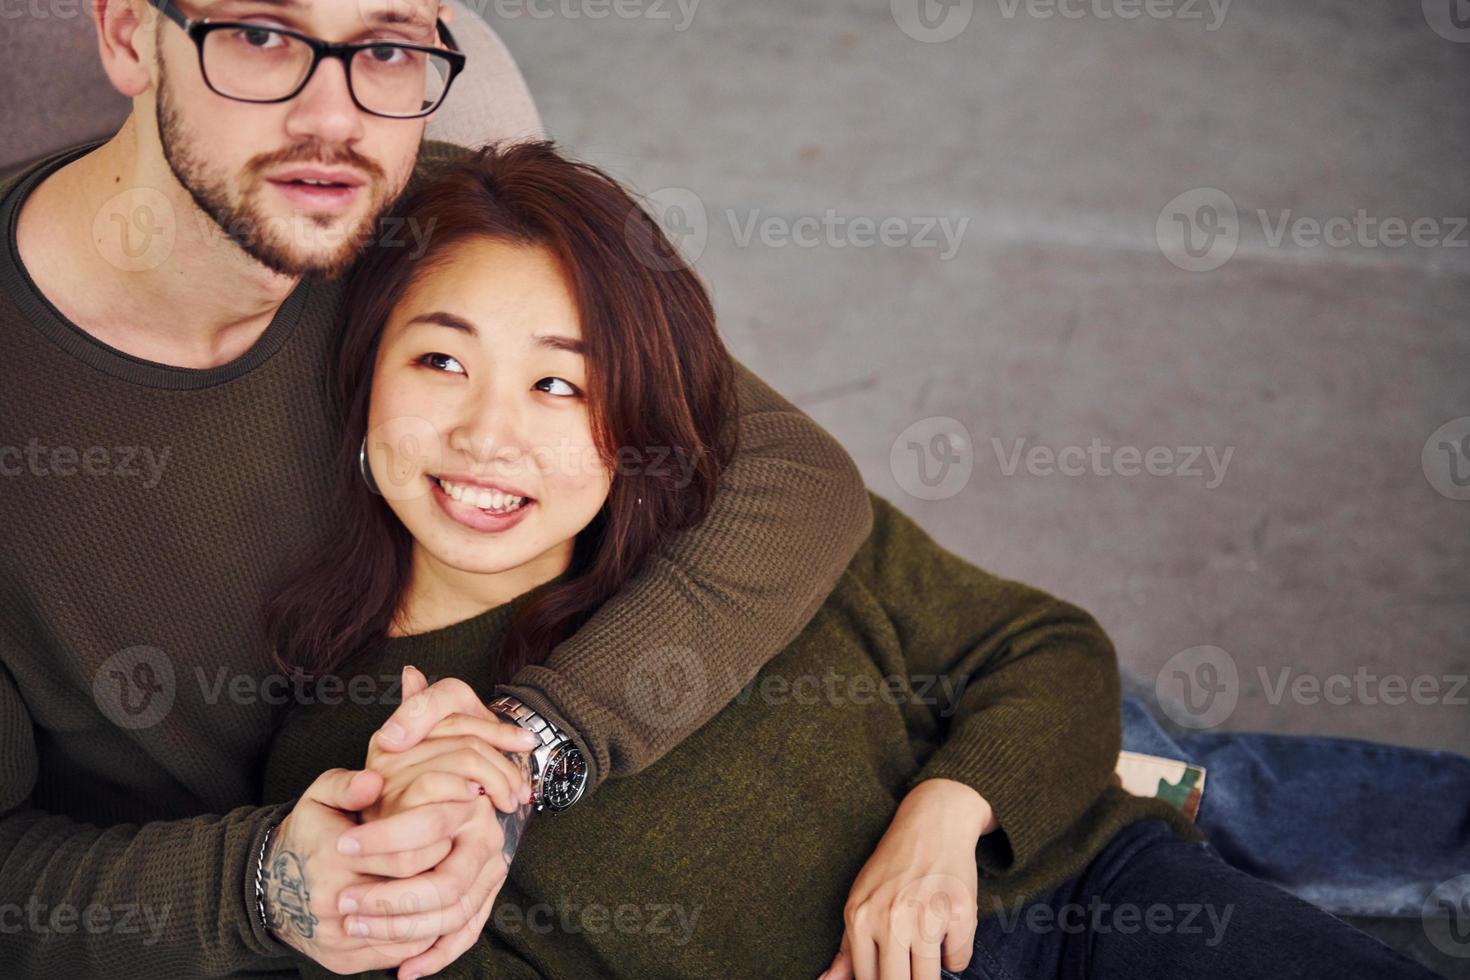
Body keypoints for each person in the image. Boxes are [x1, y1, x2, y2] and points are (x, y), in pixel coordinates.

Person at [261, 140, 1442, 980]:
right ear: (366, 371)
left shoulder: (732, 535)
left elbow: (1041, 647)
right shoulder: (363, 750)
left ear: (635, 420)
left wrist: (944, 817)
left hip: (1082, 894)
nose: (487, 435)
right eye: (439, 362)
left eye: (560, 383)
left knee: (1227, 783)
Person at [0, 0, 874, 976]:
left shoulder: (431, 224)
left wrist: (523, 752)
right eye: (261, 34)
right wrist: (262, 887)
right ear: (127, 34)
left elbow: (788, 471)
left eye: (384, 47)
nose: (333, 119)